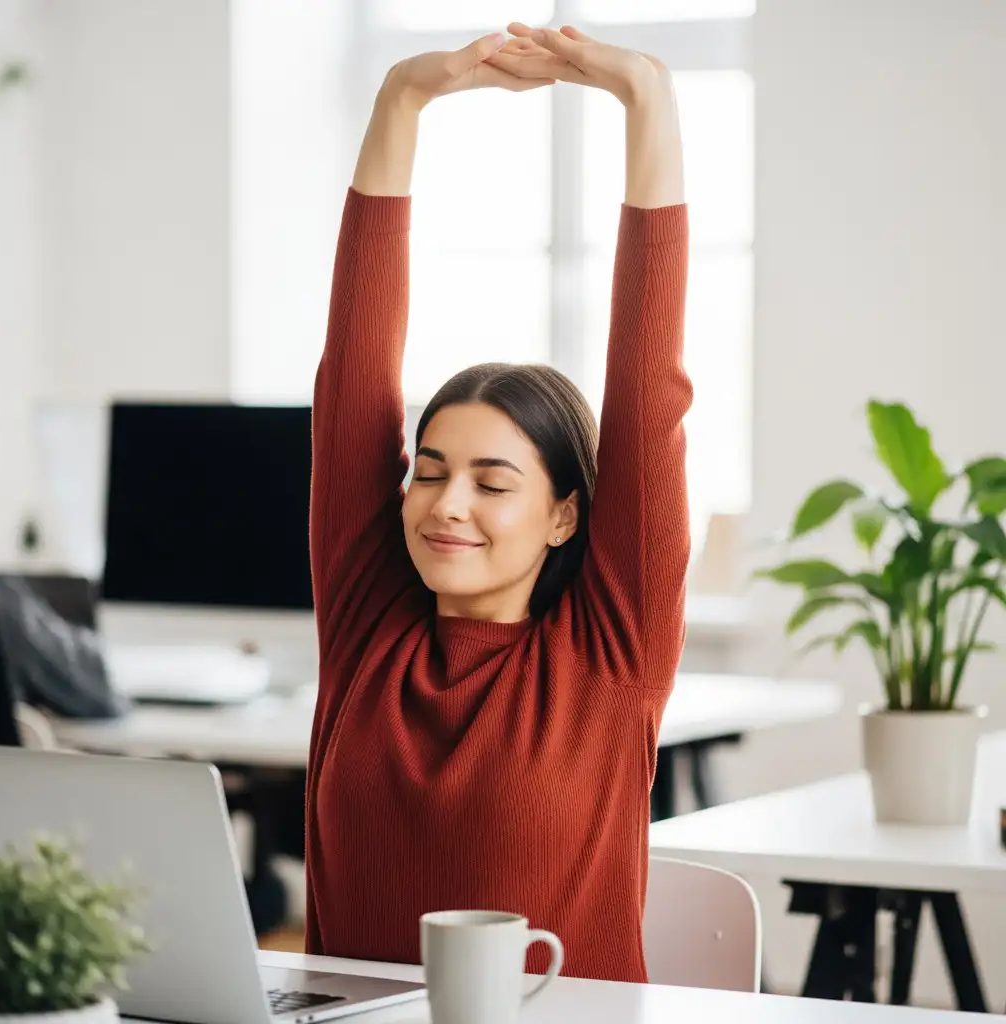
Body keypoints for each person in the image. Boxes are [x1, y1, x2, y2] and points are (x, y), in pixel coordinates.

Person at [304, 23, 690, 984]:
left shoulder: (612, 654)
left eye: (492, 482)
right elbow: (353, 370)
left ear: (565, 514)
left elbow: (649, 389)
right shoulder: (366, 625)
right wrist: (400, 100)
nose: (447, 505)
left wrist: (647, 100)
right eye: (431, 471)